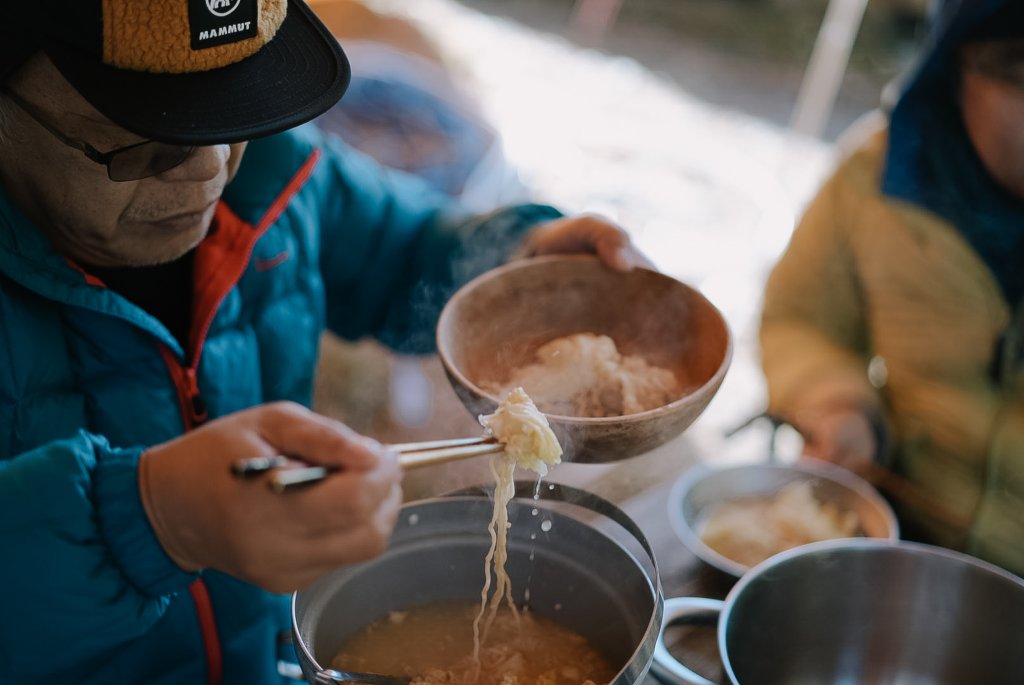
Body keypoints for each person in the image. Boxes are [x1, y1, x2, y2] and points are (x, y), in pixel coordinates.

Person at [0, 1, 647, 682]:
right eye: (147, 142)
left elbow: (401, 252)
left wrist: (514, 264)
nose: (212, 170)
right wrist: (151, 520)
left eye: (235, 113)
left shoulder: (278, 167)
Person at [759, 0, 1024, 576]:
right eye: (1015, 70)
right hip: (898, 536)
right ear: (955, 71)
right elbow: (801, 318)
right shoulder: (880, 172)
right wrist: (840, 404)